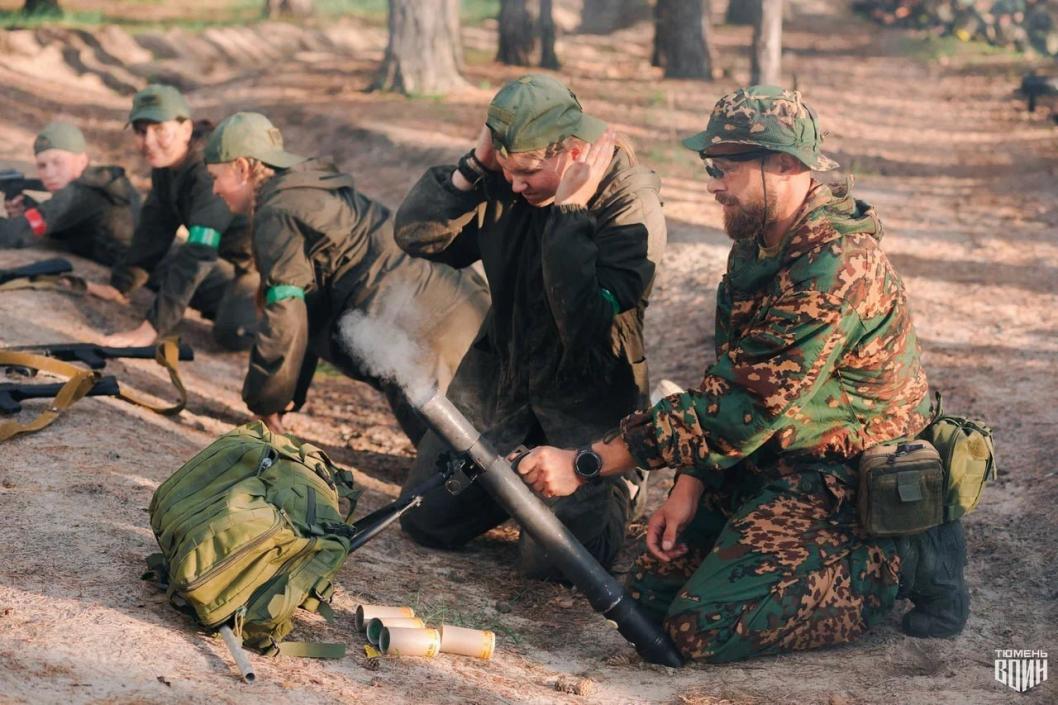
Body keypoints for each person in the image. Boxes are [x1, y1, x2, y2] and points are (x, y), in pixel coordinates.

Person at [514, 86, 969, 661]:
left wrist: (588, 462)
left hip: (841, 472)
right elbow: (727, 382)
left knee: (698, 630)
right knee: (649, 600)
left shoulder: (836, 265)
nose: (712, 183)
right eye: (711, 166)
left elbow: (739, 411)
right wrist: (690, 485)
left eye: (724, 168)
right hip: (774, 449)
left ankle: (901, 556)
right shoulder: (758, 246)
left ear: (784, 165)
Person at [393, 75, 667, 579]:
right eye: (506, 169)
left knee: (554, 567)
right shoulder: (504, 176)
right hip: (504, 379)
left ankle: (623, 478)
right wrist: (475, 167)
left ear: (574, 152)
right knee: (426, 520)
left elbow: (585, 325)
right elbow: (418, 236)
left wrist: (568, 211)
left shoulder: (629, 199)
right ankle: (513, 490)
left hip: (585, 394)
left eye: (528, 172)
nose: (515, 185)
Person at [204, 112, 490, 441]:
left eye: (216, 177)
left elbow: (286, 313)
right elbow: (306, 310)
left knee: (463, 470)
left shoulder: (278, 211)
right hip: (463, 303)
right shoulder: (307, 183)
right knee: (492, 448)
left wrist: (264, 403)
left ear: (242, 167)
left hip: (423, 333)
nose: (214, 189)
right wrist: (281, 398)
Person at [99, 84, 259, 351]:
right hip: (226, 258)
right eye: (141, 131)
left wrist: (152, 329)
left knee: (234, 332)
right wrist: (121, 285)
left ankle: (287, 317)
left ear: (186, 129)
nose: (148, 141)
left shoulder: (211, 168)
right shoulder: (166, 165)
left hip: (262, 267)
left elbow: (199, 251)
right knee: (168, 270)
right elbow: (154, 228)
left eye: (160, 129)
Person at [0, 121, 140, 265]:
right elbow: (64, 226)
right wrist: (29, 210)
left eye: (58, 163)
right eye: (42, 166)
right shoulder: (101, 184)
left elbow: (13, 235)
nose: (49, 173)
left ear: (82, 161)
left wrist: (24, 222)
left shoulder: (77, 194)